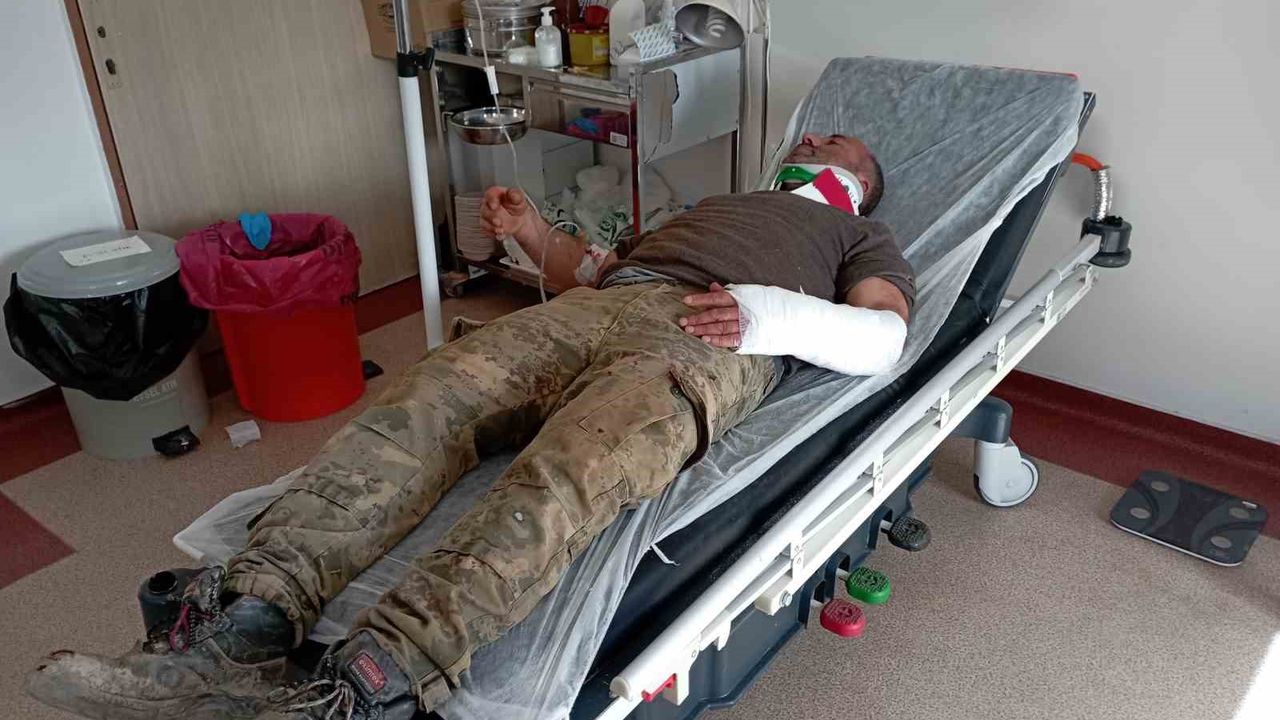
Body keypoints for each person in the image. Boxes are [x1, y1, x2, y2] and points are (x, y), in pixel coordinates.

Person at [26, 134, 916, 720]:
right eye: (808, 138)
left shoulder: (856, 239)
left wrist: (768, 317)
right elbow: (590, 269)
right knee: (424, 401)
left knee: (570, 470)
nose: (810, 142)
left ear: (861, 183)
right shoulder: (714, 205)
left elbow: (881, 337)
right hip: (606, 303)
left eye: (834, 143)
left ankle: (371, 684)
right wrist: (532, 232)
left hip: (715, 336)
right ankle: (242, 627)